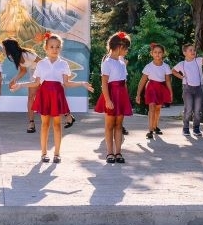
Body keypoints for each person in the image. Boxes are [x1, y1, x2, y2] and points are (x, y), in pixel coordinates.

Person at [10, 32, 94, 163]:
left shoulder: (64, 64)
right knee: (45, 124)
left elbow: (66, 83)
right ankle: (44, 153)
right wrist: (20, 85)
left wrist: (82, 83)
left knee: (57, 125)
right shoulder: (41, 64)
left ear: (60, 48)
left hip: (57, 95)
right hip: (44, 95)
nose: (55, 49)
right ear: (46, 48)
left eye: (57, 47)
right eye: (52, 47)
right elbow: (36, 83)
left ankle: (57, 153)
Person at [2, 37, 76, 133]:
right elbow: (23, 70)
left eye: (3, 47)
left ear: (9, 48)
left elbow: (43, 63)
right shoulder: (14, 56)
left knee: (52, 96)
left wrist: (50, 77)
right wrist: (14, 79)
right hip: (34, 74)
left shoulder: (27, 54)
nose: (2, 49)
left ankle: (67, 115)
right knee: (31, 97)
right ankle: (31, 123)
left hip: (42, 74)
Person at [94, 32, 132, 163]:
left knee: (119, 125)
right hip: (111, 95)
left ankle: (118, 152)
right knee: (110, 124)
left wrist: (126, 99)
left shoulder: (122, 63)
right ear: (120, 47)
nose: (127, 51)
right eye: (126, 48)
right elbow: (104, 82)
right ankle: (110, 152)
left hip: (121, 96)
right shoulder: (107, 62)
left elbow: (124, 82)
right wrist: (108, 100)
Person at [171, 44, 203, 136]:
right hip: (187, 89)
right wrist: (181, 77)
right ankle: (185, 128)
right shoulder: (181, 64)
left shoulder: (198, 61)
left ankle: (196, 128)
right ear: (184, 52)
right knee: (188, 110)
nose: (193, 52)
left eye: (194, 50)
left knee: (197, 111)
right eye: (190, 50)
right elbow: (173, 70)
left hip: (198, 89)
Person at [135, 43, 173, 139]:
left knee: (158, 109)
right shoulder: (148, 66)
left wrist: (170, 92)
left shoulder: (166, 66)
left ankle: (155, 126)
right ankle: (150, 130)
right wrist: (138, 94)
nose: (157, 54)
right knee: (151, 107)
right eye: (155, 52)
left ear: (163, 54)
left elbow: (168, 81)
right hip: (151, 87)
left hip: (161, 88)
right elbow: (142, 81)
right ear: (151, 53)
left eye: (160, 52)